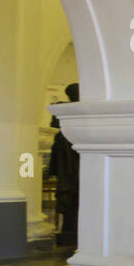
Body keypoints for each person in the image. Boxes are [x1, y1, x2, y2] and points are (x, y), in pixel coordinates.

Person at [47, 83, 80, 248]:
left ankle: (70, 231)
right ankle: (70, 231)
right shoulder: (67, 116)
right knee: (72, 202)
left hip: (73, 170)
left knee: (73, 202)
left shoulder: (69, 119)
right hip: (72, 170)